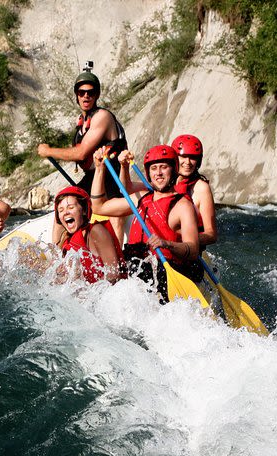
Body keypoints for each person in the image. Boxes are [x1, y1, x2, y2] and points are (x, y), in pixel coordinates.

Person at [90, 145, 202, 302]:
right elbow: (98, 206)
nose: (159, 173)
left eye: (164, 167)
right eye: (154, 168)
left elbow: (193, 250)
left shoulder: (183, 206)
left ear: (174, 170)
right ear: (148, 173)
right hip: (136, 275)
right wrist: (99, 168)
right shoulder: (140, 198)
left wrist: (166, 244)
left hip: (165, 278)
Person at [36, 63, 129, 245]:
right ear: (77, 95)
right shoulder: (82, 123)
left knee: (114, 215)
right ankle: (58, 253)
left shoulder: (102, 116)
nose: (86, 96)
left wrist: (48, 151)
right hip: (93, 176)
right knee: (63, 203)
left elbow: (81, 153)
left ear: (97, 95)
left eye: (91, 92)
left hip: (112, 175)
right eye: (81, 92)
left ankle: (118, 259)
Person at [52, 186, 126, 284]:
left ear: (83, 210)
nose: (65, 212)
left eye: (71, 207)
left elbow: (114, 275)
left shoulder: (96, 231)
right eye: (61, 210)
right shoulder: (66, 241)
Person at [171, 134, 218, 248]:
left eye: (192, 157)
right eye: (183, 156)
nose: (188, 162)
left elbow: (211, 234)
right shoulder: (163, 183)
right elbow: (127, 188)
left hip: (187, 253)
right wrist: (124, 166)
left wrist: (186, 238)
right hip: (164, 250)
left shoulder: (201, 188)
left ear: (198, 161)